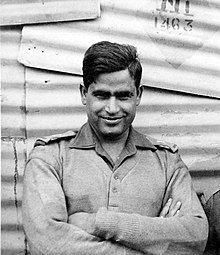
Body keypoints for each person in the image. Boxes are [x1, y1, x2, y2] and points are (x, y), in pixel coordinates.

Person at [22, 41, 208, 255]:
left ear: (138, 95)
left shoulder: (167, 161)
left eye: (123, 96)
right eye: (101, 95)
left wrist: (100, 223)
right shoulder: (49, 157)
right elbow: (49, 243)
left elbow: (195, 237)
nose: (112, 108)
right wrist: (155, 241)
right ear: (84, 94)